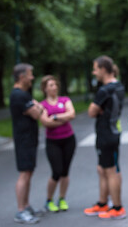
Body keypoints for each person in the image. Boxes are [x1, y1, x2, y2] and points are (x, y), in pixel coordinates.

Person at [84, 55, 126, 219]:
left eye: (95, 69)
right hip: (111, 132)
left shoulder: (105, 90)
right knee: (103, 169)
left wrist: (99, 110)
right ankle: (102, 204)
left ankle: (117, 208)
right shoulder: (118, 86)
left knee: (111, 171)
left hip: (107, 134)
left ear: (102, 69)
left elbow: (91, 112)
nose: (94, 72)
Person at [10, 63, 44, 224]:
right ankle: (20, 210)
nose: (32, 78)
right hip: (23, 140)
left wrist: (36, 106)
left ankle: (26, 206)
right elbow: (38, 113)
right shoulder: (19, 95)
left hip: (28, 139)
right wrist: (37, 106)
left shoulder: (23, 94)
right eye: (30, 74)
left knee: (28, 172)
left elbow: (37, 109)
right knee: (24, 173)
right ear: (22, 76)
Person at [39, 75, 76, 212]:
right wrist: (63, 117)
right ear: (44, 88)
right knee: (56, 171)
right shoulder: (42, 105)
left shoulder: (64, 99)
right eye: (50, 85)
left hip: (69, 139)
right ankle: (49, 200)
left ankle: (62, 198)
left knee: (65, 172)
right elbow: (45, 122)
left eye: (55, 85)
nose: (54, 87)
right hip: (53, 142)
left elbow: (72, 114)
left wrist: (54, 117)